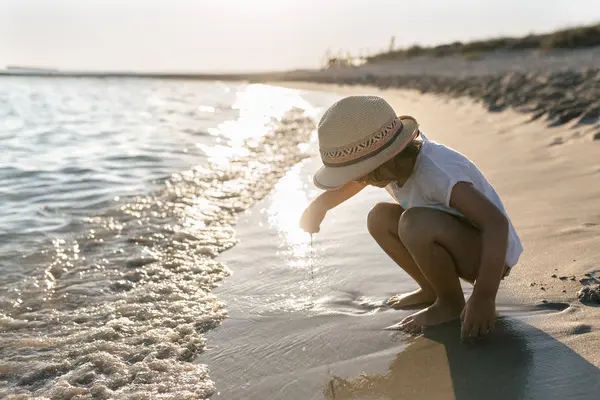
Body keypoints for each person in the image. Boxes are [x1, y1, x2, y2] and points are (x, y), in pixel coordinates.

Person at [299, 95, 523, 340]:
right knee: (379, 217)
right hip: (454, 242)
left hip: (489, 259)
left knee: (413, 223)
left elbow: (495, 223)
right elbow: (355, 184)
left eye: (360, 174)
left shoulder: (438, 172)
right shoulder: (395, 165)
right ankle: (432, 289)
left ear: (383, 161)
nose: (358, 181)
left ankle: (450, 303)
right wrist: (320, 206)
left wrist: (484, 297)